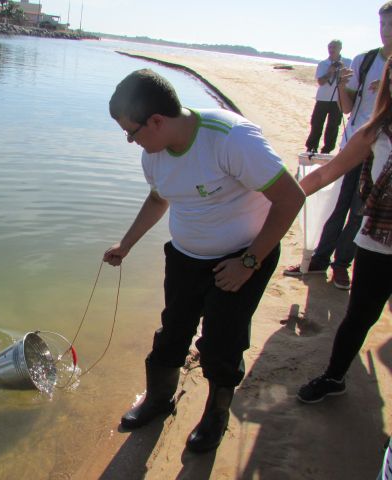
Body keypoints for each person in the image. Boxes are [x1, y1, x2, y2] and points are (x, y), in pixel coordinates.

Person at [103, 69, 304, 453]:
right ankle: (159, 400)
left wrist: (248, 262)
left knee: (222, 344)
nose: (130, 141)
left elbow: (291, 198)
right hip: (184, 258)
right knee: (171, 334)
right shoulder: (155, 155)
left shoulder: (231, 139)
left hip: (241, 258)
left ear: (157, 120)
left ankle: (215, 415)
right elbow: (159, 199)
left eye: (132, 132)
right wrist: (126, 244)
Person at [297, 54, 392, 404]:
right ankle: (334, 377)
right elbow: (326, 173)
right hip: (378, 244)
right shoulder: (375, 131)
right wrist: (278, 199)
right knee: (359, 317)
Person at [284, 2, 392, 290]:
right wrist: (344, 86)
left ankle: (341, 265)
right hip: (360, 141)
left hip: (384, 150)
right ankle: (320, 260)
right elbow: (347, 108)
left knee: (361, 210)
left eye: (390, 25)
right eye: (382, 24)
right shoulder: (365, 61)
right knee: (340, 203)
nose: (385, 31)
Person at [305, 40, 348, 154]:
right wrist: (330, 72)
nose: (331, 49)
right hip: (322, 99)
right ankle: (311, 147)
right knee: (316, 124)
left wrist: (341, 72)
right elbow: (321, 82)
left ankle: (327, 150)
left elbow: (349, 82)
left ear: (340, 48)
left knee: (333, 127)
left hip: (337, 100)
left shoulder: (347, 63)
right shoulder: (323, 64)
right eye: (330, 47)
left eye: (334, 47)